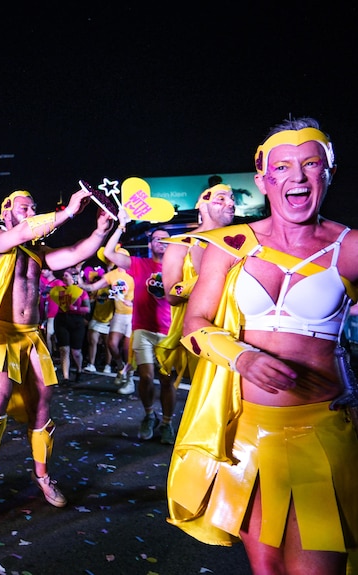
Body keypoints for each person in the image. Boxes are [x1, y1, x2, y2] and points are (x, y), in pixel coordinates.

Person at [166, 117, 358, 574]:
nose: (297, 177)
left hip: (322, 436)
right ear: (264, 180)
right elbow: (194, 324)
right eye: (284, 167)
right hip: (247, 440)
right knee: (266, 569)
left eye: (311, 165)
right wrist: (242, 357)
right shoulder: (231, 246)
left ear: (327, 174)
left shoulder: (348, 247)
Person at [0, 188, 113, 507]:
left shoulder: (36, 251)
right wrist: (68, 212)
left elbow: (74, 253)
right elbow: (20, 232)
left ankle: (42, 476)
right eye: (24, 207)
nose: (31, 211)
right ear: (5, 211)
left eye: (34, 207)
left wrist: (100, 231)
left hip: (31, 335)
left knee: (44, 403)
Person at [155, 181, 235, 386]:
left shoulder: (241, 244)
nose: (230, 203)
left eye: (232, 198)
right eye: (221, 199)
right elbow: (172, 294)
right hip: (203, 336)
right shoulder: (181, 245)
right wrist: (212, 278)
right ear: (203, 206)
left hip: (238, 334)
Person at [102, 216, 173, 442]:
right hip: (142, 329)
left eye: (166, 239)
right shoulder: (139, 264)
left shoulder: (179, 267)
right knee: (146, 376)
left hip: (169, 331)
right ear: (150, 244)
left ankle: (167, 423)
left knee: (167, 379)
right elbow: (109, 253)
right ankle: (149, 415)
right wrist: (121, 225)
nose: (162, 242)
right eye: (157, 239)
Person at [79, 251, 135, 393]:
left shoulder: (135, 272)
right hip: (119, 314)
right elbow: (92, 287)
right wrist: (79, 282)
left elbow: (145, 291)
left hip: (134, 315)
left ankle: (129, 380)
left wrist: (134, 303)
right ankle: (121, 367)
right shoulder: (113, 275)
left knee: (127, 349)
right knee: (111, 344)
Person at [49, 266, 91, 383]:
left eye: (66, 275)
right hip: (61, 320)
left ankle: (79, 370)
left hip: (76, 321)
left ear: (73, 278)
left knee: (76, 352)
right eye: (63, 275)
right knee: (64, 349)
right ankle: (66, 376)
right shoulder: (59, 290)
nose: (63, 277)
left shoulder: (81, 292)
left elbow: (87, 309)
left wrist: (76, 308)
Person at [82, 266, 114, 373]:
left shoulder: (113, 289)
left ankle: (108, 366)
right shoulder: (97, 289)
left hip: (108, 320)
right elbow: (90, 301)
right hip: (96, 318)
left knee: (108, 345)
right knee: (92, 341)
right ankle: (91, 364)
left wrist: (114, 318)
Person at [39, 268, 65, 357]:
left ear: (51, 271)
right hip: (42, 313)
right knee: (45, 335)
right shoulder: (42, 280)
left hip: (53, 314)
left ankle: (49, 357)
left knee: (49, 335)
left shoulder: (59, 283)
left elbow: (64, 301)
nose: (42, 271)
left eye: (45, 270)